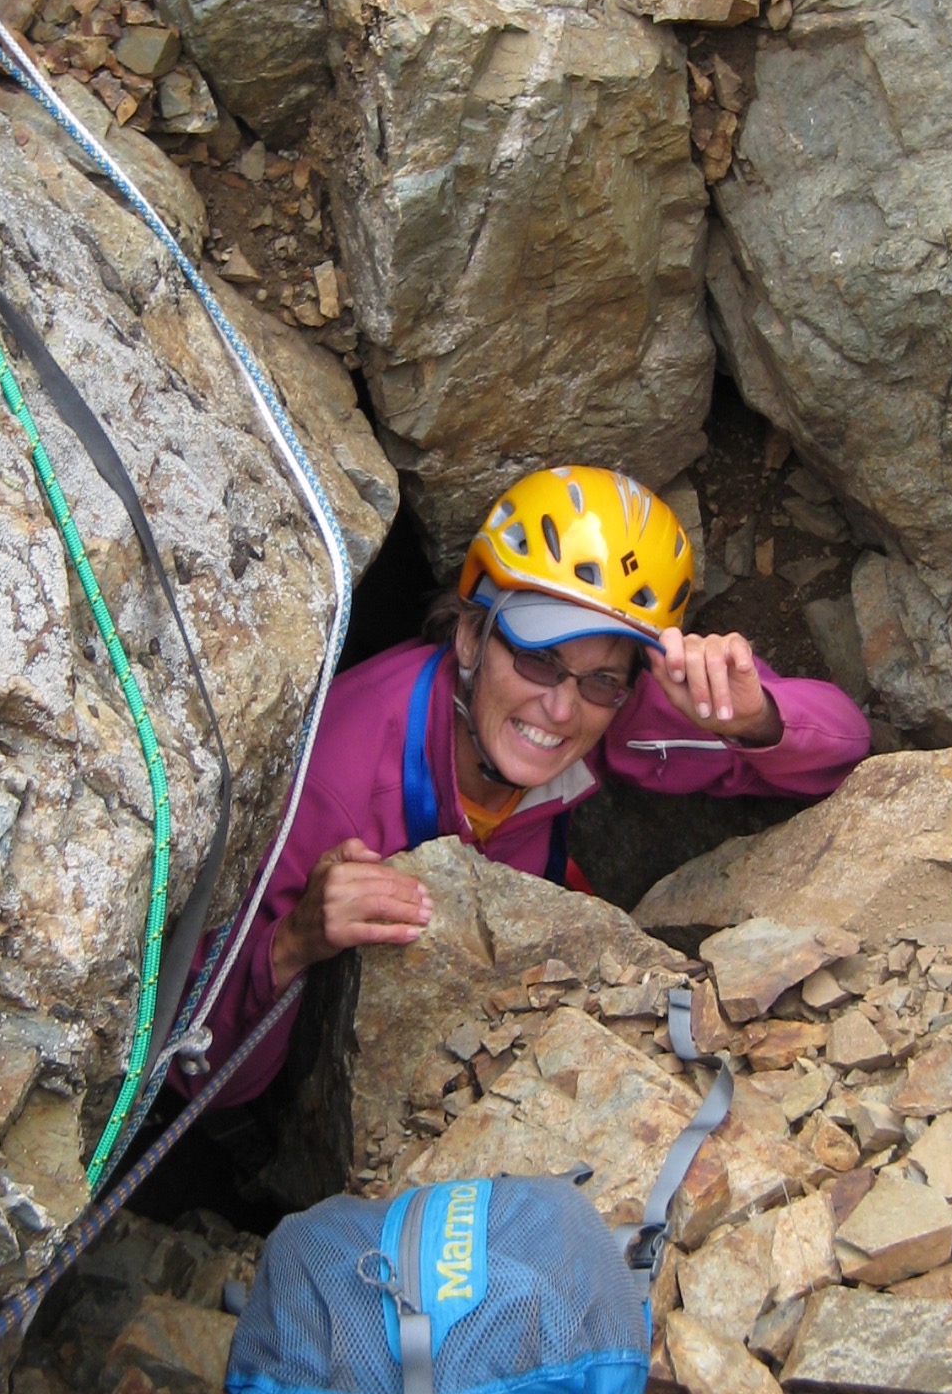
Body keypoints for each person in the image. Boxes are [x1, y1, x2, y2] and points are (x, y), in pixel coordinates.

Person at [190, 465, 872, 1110]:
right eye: (538, 658)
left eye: (603, 676)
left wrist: (750, 716)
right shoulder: (338, 780)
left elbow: (843, 753)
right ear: (469, 639)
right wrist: (294, 943)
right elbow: (205, 1074)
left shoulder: (614, 710)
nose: (562, 708)